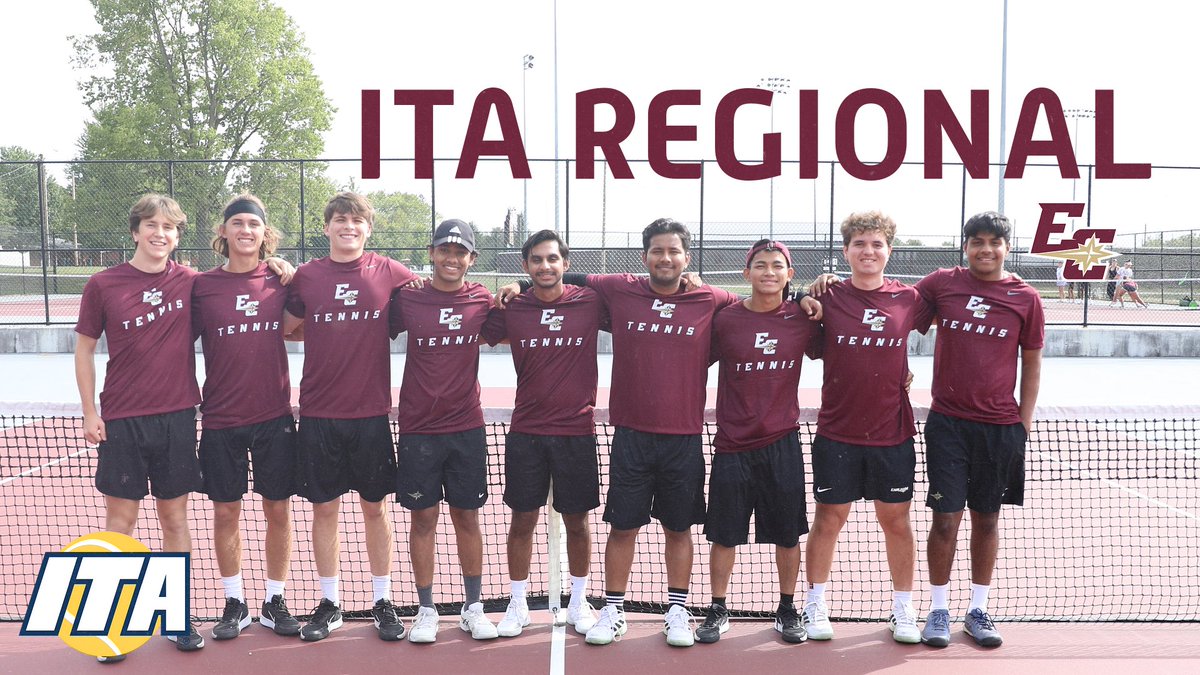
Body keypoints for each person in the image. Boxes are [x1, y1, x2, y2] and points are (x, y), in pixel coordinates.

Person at [74, 194, 207, 660]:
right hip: (123, 420)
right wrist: (91, 411)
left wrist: (281, 269)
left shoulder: (191, 282)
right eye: (151, 225)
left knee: (174, 519)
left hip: (176, 418)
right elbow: (85, 348)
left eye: (169, 227)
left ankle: (176, 614)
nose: (160, 234)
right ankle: (113, 622)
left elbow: (243, 284)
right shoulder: (103, 284)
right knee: (121, 521)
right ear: (135, 232)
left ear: (177, 235)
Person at [281, 192, 418, 642]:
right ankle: (330, 601)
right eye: (340, 220)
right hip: (319, 412)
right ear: (327, 228)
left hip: (371, 414)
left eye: (357, 220)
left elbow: (429, 292)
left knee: (375, 509)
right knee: (324, 509)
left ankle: (383, 599)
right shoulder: (307, 275)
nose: (349, 226)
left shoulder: (389, 271)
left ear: (368, 229)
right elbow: (286, 325)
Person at [802, 212, 934, 645]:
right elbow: (786, 302)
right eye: (859, 243)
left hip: (893, 433)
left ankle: (902, 609)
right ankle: (815, 603)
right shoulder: (828, 298)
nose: (868, 251)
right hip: (837, 432)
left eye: (877, 244)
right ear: (846, 251)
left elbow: (952, 304)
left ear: (889, 251)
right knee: (829, 519)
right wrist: (810, 288)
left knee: (896, 521)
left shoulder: (910, 299)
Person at [914, 212, 1043, 648]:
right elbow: (889, 305)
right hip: (947, 425)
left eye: (994, 241)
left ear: (1008, 246)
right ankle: (936, 609)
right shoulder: (941, 283)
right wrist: (826, 285)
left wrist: (1022, 424)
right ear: (965, 245)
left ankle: (978, 609)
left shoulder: (1025, 297)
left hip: (1000, 429)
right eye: (977, 241)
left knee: (987, 520)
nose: (985, 249)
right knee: (945, 520)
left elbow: (1033, 362)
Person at [479, 230, 605, 637]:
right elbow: (476, 323)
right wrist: (504, 292)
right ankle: (517, 604)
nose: (545, 266)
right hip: (527, 432)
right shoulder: (513, 307)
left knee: (578, 523)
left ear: (566, 265)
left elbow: (640, 295)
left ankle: (580, 600)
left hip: (576, 432)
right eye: (536, 260)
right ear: (526, 265)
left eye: (552, 259)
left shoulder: (590, 302)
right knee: (522, 520)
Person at [695, 240, 819, 645]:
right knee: (723, 535)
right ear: (746, 274)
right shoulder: (725, 320)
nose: (769, 271)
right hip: (733, 444)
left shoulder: (805, 318)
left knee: (787, 534)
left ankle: (786, 607)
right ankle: (717, 607)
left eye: (777, 266)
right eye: (760, 265)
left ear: (789, 274)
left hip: (782, 443)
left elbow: (845, 345)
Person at [192, 194, 301, 640]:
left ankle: (274, 600)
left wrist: (290, 271)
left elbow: (314, 319)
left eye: (253, 224)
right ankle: (234, 601)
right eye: (236, 222)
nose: (245, 230)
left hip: (274, 417)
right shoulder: (201, 287)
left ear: (264, 233)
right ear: (223, 232)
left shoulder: (284, 282)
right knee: (225, 513)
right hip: (220, 419)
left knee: (279, 509)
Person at [389, 219, 498, 643]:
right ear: (432, 253)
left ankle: (473, 608)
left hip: (466, 427)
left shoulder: (483, 299)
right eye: (445, 250)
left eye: (461, 252)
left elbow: (513, 320)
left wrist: (513, 291)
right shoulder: (408, 299)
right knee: (423, 520)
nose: (452, 258)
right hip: (418, 428)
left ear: (471, 259)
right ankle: (427, 609)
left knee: (467, 517)